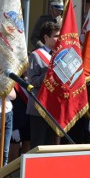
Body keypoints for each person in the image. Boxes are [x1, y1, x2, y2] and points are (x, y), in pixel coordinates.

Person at [27, 21, 60, 149]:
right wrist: (49, 73)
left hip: (54, 107)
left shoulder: (59, 55)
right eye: (56, 36)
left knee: (51, 145)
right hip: (39, 107)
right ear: (46, 38)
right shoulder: (36, 55)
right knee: (38, 145)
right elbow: (32, 81)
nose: (58, 39)